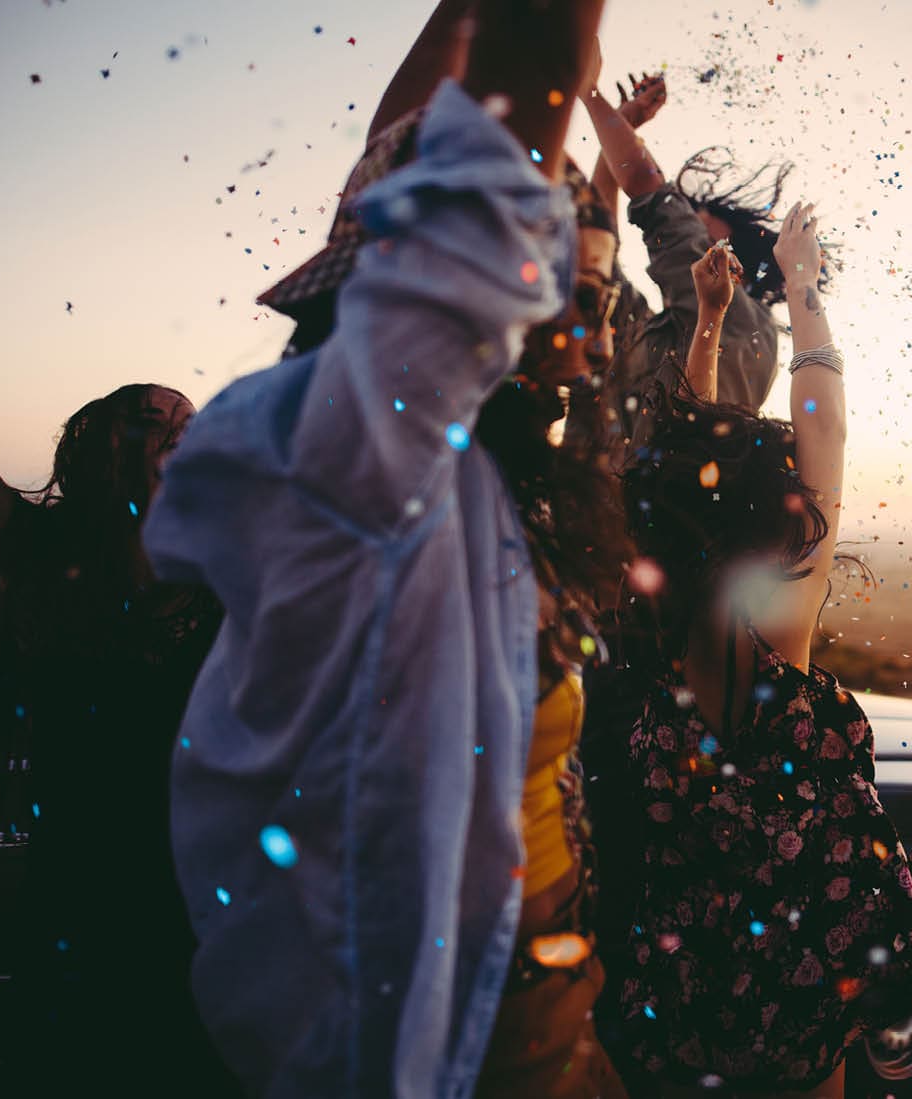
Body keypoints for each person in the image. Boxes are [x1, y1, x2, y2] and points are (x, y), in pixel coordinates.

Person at [139, 3, 628, 1095]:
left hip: (543, 1008)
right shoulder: (366, 463)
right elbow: (510, 90)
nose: (594, 335)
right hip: (460, 1042)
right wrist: (536, 44)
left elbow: (398, 168)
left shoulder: (434, 468)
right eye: (571, 282)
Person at [607, 204, 912, 1098]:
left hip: (684, 969)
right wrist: (801, 285)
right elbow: (825, 427)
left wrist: (710, 322)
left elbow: (688, 454)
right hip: (791, 976)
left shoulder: (664, 631)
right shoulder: (781, 622)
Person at [0, 386, 238, 1095]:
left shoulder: (228, 571)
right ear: (100, 450)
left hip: (202, 906)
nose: (178, 432)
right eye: (152, 421)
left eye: (189, 423)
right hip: (79, 901)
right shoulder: (43, 553)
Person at [580, 63, 813, 431]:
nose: (685, 235)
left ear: (737, 266)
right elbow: (598, 255)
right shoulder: (661, 335)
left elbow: (648, 190)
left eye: (702, 237)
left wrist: (587, 89)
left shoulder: (741, 320)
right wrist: (621, 124)